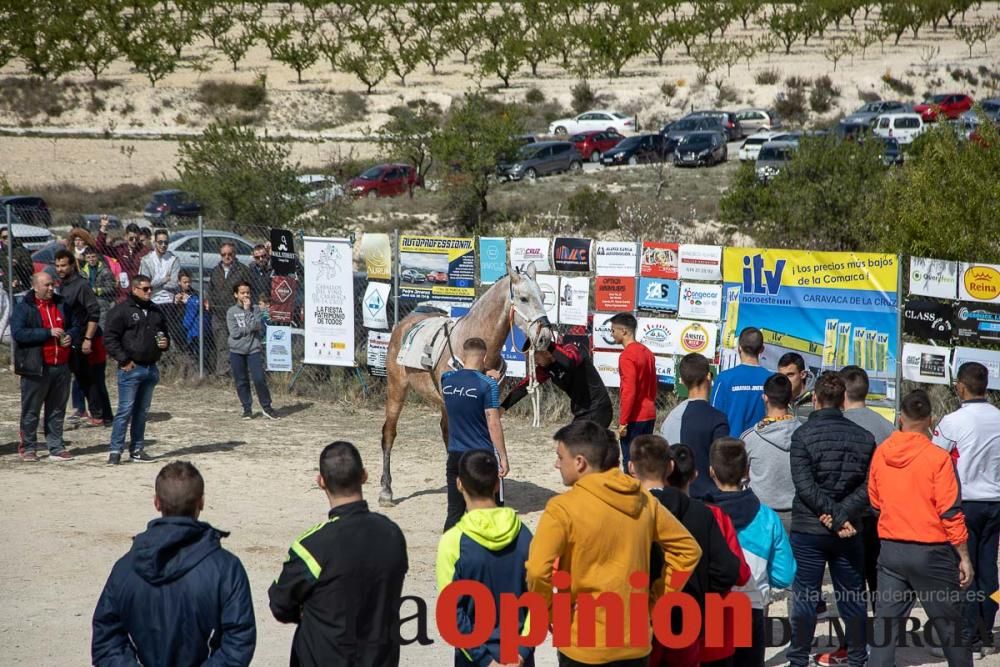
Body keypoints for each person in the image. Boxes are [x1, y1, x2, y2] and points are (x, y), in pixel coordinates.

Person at [525, 420, 702, 667]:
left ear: (579, 462)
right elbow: (688, 550)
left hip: (582, 645)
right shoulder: (643, 501)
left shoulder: (562, 508)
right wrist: (657, 599)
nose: (557, 463)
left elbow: (536, 570)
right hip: (634, 643)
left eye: (560, 456)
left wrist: (550, 612)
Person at [91, 461, 256, 666]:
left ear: (157, 503)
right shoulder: (226, 569)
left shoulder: (124, 568)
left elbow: (106, 640)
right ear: (201, 503)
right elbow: (238, 642)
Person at [269, 441, 408, 667]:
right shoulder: (392, 535)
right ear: (364, 476)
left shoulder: (312, 546)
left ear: (321, 482)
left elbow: (280, 604)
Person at [868, 390, 974, 667]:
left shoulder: (881, 454)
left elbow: (875, 501)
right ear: (931, 420)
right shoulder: (937, 459)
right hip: (931, 552)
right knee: (951, 629)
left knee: (885, 630)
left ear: (900, 417)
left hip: (891, 549)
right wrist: (963, 556)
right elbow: (950, 511)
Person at [630, 436, 747, 667]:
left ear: (631, 467)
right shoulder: (702, 513)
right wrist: (702, 591)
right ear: (670, 466)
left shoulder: (624, 514)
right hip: (688, 622)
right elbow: (729, 569)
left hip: (638, 624)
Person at [786, 373, 875, 667]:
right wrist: (842, 516)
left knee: (805, 596)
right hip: (849, 529)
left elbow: (804, 486)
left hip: (809, 528)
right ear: (843, 401)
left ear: (814, 399)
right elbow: (868, 488)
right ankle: (858, 657)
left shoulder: (802, 435)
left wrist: (834, 516)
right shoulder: (864, 438)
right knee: (852, 596)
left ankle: (798, 658)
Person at [436, 450, 535, 667]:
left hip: (474, 660)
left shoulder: (453, 541)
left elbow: (451, 613)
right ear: (497, 485)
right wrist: (520, 652)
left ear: (459, 484)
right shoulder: (526, 536)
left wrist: (486, 661)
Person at [707, 437, 797, 667]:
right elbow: (784, 575)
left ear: (711, 472)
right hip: (752, 606)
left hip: (712, 607)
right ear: (747, 470)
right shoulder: (767, 517)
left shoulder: (702, 515)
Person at [932, 361, 1000, 654]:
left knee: (965, 570)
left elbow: (934, 461)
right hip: (996, 502)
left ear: (960, 386)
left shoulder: (952, 421)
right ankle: (986, 634)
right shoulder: (998, 417)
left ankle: (969, 636)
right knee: (989, 570)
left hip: (965, 504)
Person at [840, 364, 895, 624]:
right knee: (878, 576)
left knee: (850, 579)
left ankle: (855, 638)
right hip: (880, 513)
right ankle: (882, 636)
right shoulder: (887, 428)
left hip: (848, 513)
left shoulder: (839, 425)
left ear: (842, 393)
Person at [441, 337, 509, 532]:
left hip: (455, 455)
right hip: (480, 457)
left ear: (463, 355)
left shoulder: (446, 380)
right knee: (489, 511)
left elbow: (464, 391)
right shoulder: (488, 385)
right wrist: (503, 457)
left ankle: (449, 554)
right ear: (485, 357)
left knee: (454, 512)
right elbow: (493, 422)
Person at [104, 274, 170, 465]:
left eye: (151, 288)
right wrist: (124, 360)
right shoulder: (122, 310)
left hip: (151, 368)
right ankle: (115, 451)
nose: (150, 291)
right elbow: (110, 338)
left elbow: (164, 334)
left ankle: (137, 450)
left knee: (142, 412)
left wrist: (164, 344)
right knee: (125, 410)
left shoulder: (156, 311)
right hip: (131, 369)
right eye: (145, 289)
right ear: (134, 289)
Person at [12, 272, 76, 462]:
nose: (51, 289)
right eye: (47, 285)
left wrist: (72, 336)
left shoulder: (61, 304)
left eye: (52, 285)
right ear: (36, 287)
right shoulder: (25, 307)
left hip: (61, 365)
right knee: (31, 410)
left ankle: (56, 446)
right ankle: (29, 447)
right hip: (37, 367)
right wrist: (47, 333)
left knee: (57, 409)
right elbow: (19, 333)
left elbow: (75, 325)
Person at [501, 337, 613, 428]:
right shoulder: (545, 368)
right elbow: (523, 387)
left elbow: (570, 363)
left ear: (545, 352)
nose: (535, 363)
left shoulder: (570, 349)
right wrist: (502, 408)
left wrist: (548, 344)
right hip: (581, 413)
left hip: (598, 409)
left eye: (535, 358)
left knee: (578, 449)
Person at [661, 352, 730, 499]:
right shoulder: (718, 419)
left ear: (683, 382)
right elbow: (723, 466)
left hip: (677, 497)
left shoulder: (670, 418)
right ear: (709, 377)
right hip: (710, 499)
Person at [54, 248, 110, 426]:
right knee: (80, 377)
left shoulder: (81, 285)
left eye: (63, 265)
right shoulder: (62, 285)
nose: (60, 269)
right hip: (73, 338)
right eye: (57, 266)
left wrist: (88, 339)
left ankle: (100, 415)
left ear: (72, 265)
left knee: (91, 378)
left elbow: (94, 313)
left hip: (88, 338)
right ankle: (92, 412)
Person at [742, 373, 801, 530]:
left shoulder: (749, 439)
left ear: (765, 398)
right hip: (796, 516)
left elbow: (742, 478)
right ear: (790, 399)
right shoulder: (804, 434)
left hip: (760, 514)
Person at [610, 312, 657, 471]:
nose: (612, 333)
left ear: (623, 331)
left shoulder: (627, 356)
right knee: (644, 462)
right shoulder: (647, 352)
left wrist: (623, 422)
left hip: (635, 417)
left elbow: (629, 390)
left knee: (631, 464)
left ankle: (632, 495)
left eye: (613, 330)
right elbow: (653, 385)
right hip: (649, 413)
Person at [227, 281, 278, 420]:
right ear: (236, 294)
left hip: (253, 349)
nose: (245, 295)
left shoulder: (255, 309)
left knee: (259, 378)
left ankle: (267, 407)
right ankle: (247, 408)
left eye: (248, 292)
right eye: (242, 293)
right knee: (241, 380)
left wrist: (248, 311)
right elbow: (234, 333)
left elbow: (257, 326)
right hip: (237, 350)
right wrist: (248, 328)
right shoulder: (231, 312)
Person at [712, 327, 774, 437]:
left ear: (739, 348)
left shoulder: (724, 379)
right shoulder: (772, 380)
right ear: (762, 349)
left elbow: (712, 417)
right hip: (762, 448)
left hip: (731, 449)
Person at [208, 242, 252, 376]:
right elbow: (210, 289)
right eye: (223, 254)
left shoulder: (242, 270)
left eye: (229, 254)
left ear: (234, 254)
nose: (227, 257)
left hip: (236, 314)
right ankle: (223, 374)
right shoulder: (216, 271)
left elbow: (249, 290)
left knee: (238, 345)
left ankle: (240, 373)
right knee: (222, 346)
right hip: (219, 314)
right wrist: (208, 301)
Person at [138, 228, 180, 308]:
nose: (163, 245)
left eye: (166, 242)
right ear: (155, 243)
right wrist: (164, 280)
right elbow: (146, 286)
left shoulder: (174, 260)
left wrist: (154, 284)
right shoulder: (146, 260)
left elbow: (174, 284)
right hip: (151, 300)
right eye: (160, 242)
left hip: (169, 301)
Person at [80, 246, 117, 327]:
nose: (91, 259)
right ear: (85, 259)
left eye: (93, 256)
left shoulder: (105, 270)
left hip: (103, 299)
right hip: (88, 299)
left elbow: (111, 287)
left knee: (101, 322)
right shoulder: (83, 271)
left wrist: (97, 290)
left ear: (97, 257)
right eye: (88, 257)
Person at [778, 352, 814, 419]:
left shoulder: (817, 399)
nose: (785, 380)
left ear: (803, 374)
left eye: (790, 375)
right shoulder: (776, 400)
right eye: (782, 376)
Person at [0, 225, 35, 292]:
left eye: (9, 236)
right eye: (4, 237)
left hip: (21, 288)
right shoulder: (1, 253)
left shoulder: (21, 250)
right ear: (1, 239)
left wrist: (18, 265)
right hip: (6, 289)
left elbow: (30, 270)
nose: (7, 239)